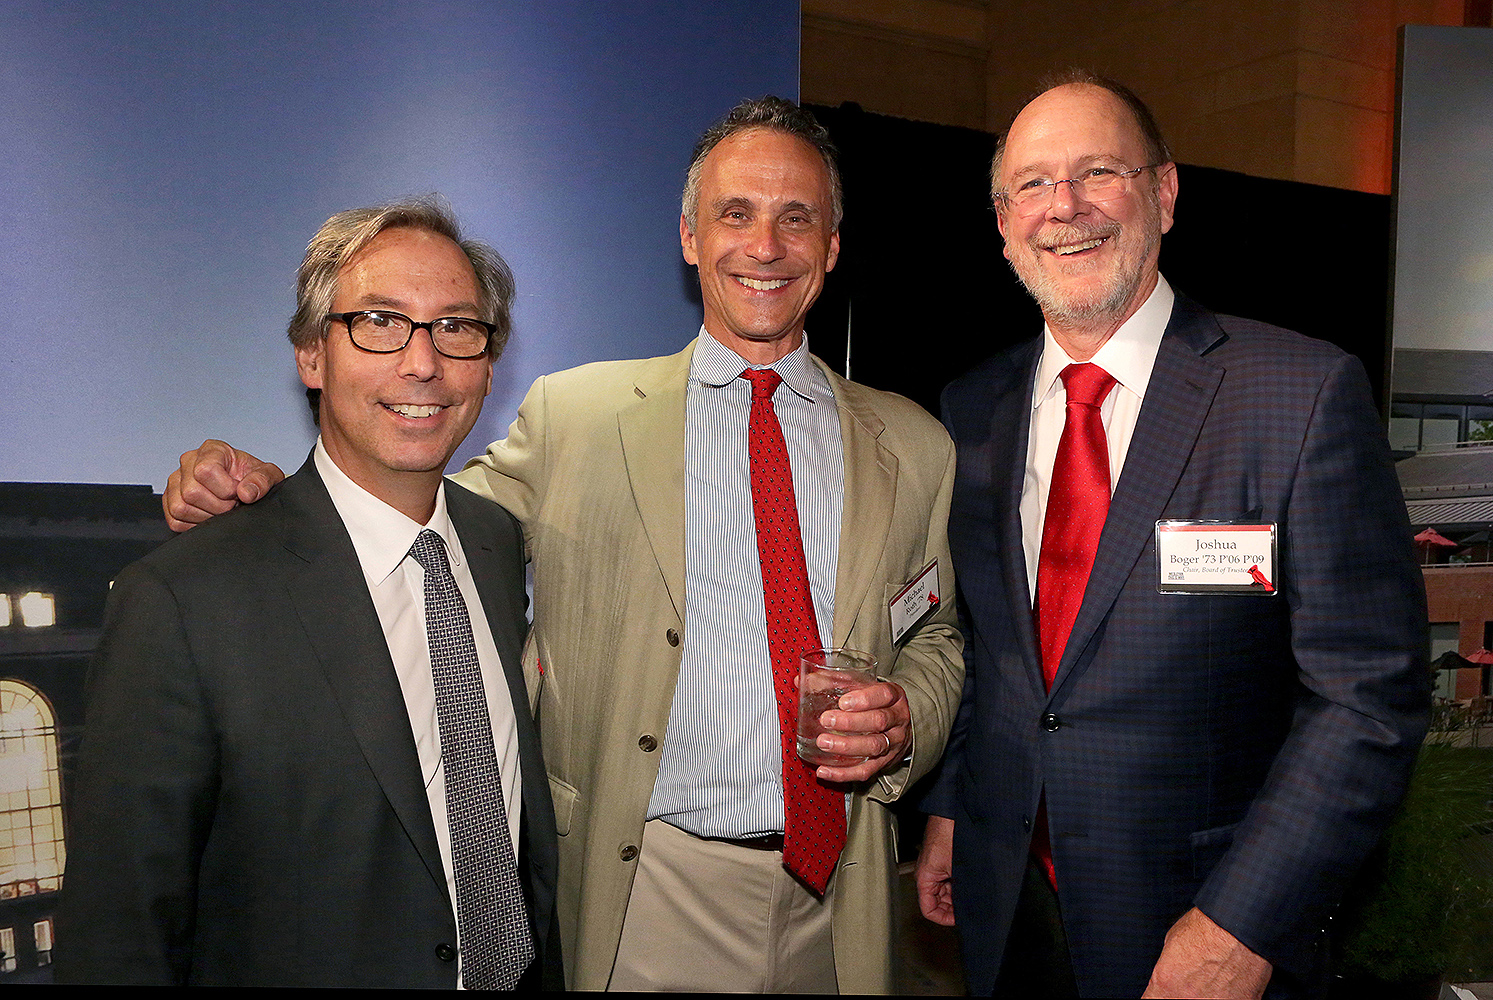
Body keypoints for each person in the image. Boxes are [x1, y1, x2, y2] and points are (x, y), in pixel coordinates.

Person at [161, 98, 965, 993]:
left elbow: (935, 636)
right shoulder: (576, 419)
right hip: (646, 896)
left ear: (834, 245)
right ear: (691, 238)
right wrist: (266, 492)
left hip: (846, 894)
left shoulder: (916, 448)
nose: (765, 246)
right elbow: (395, 514)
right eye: (735, 214)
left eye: (797, 217)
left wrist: (906, 715)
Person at [914, 72, 1430, 999]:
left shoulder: (1298, 394)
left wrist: (1243, 926)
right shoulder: (971, 410)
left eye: (1097, 172)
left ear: (1164, 193)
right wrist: (955, 805)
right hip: (1008, 908)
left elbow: (1368, 698)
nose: (1063, 206)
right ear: (1001, 222)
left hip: (1204, 925)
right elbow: (991, 652)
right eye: (1031, 184)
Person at [55, 199, 560, 988]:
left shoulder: (496, 546)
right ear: (311, 355)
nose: (422, 362)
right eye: (381, 321)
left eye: (456, 327)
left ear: (488, 363)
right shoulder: (186, 597)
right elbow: (120, 926)